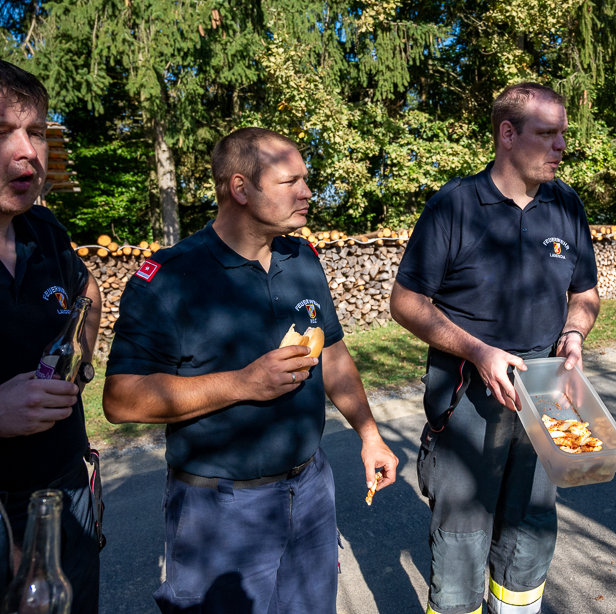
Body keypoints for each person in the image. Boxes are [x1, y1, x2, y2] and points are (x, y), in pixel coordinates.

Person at [103, 127, 399, 614]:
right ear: (240, 188)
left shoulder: (302, 258)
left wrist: (370, 434)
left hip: (310, 490)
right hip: (219, 509)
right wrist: (243, 384)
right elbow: (120, 398)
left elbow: (334, 355)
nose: (308, 192)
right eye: (290, 181)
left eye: (306, 179)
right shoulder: (170, 278)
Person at [389, 82, 601, 614]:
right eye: (547, 134)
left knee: (532, 523)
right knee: (461, 534)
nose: (561, 146)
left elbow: (585, 295)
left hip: (548, 392)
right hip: (468, 397)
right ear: (507, 134)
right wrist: (479, 352)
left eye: (563, 134)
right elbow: (406, 302)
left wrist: (574, 334)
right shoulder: (454, 206)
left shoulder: (567, 204)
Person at [0, 60, 103, 613]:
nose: (29, 152)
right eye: (2, 132)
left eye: (35, 131)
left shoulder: (44, 230)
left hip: (64, 492)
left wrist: (80, 363)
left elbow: (87, 290)